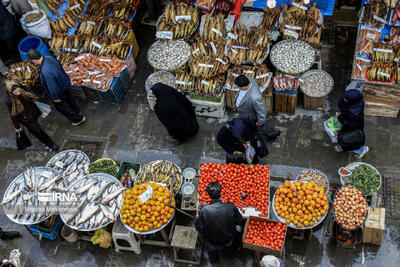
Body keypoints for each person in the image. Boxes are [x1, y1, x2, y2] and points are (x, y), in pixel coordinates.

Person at [26, 49, 85, 126]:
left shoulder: (45, 71)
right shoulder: (49, 58)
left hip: (59, 91)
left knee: (61, 107)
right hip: (64, 84)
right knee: (69, 99)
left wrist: (55, 97)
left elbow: (52, 86)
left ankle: (78, 119)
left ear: (33, 60)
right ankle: (77, 111)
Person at [195, 182, 244, 264]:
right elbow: (239, 220)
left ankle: (215, 262)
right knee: (229, 251)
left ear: (208, 195)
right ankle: (229, 257)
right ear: (221, 193)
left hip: (212, 241)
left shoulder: (204, 211)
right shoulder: (230, 206)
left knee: (213, 255)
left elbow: (199, 228)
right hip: (228, 238)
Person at [4, 80, 58, 150]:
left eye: (18, 90)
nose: (18, 93)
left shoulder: (23, 89)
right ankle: (51, 144)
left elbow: (32, 95)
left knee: (35, 125)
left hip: (32, 110)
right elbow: (13, 115)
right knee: (38, 131)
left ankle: (32, 130)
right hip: (25, 118)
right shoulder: (9, 101)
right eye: (16, 92)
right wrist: (17, 127)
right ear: (10, 92)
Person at [234, 75, 280, 141]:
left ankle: (273, 133)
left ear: (244, 87)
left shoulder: (255, 97)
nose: (237, 87)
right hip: (244, 113)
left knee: (259, 128)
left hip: (250, 116)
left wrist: (260, 121)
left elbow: (261, 110)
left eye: (238, 86)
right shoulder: (249, 79)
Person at [334, 89, 369, 158]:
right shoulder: (356, 103)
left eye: (346, 99)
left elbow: (348, 125)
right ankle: (343, 145)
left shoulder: (354, 114)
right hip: (349, 123)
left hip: (352, 127)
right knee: (345, 137)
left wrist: (339, 121)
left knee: (351, 140)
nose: (344, 99)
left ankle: (361, 150)